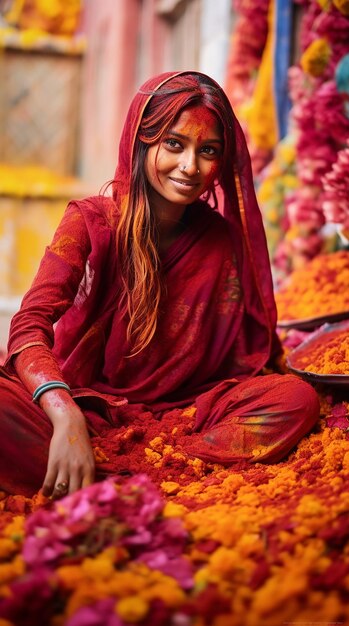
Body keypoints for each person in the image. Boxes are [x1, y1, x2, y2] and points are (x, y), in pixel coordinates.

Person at [0, 71, 320, 499]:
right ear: (141, 140)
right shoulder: (91, 221)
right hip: (89, 408)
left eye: (208, 151)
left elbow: (240, 361)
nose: (190, 167)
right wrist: (64, 414)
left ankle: (126, 476)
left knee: (295, 398)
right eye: (174, 144)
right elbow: (28, 326)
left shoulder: (220, 239)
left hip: (188, 421)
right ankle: (120, 472)